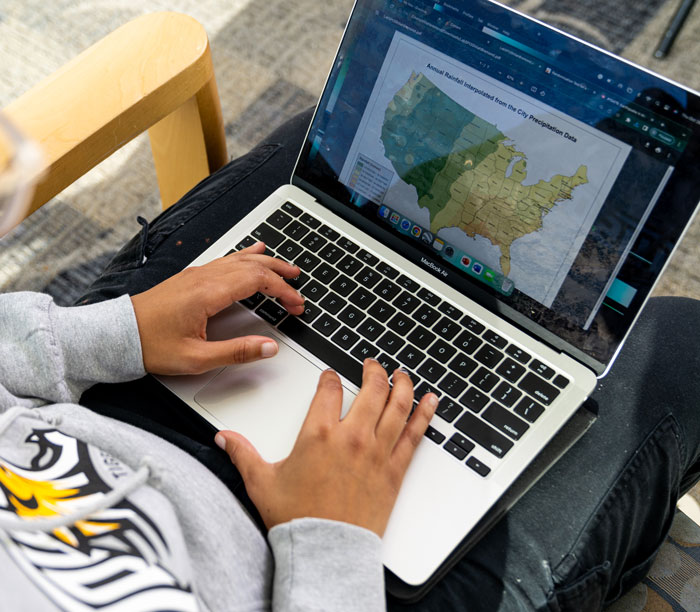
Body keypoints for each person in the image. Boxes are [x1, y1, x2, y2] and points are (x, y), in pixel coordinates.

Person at [1, 107, 699, 611]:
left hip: (89, 402)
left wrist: (114, 334)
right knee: (683, 344)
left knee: (330, 149)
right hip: (320, 574)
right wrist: (330, 537)